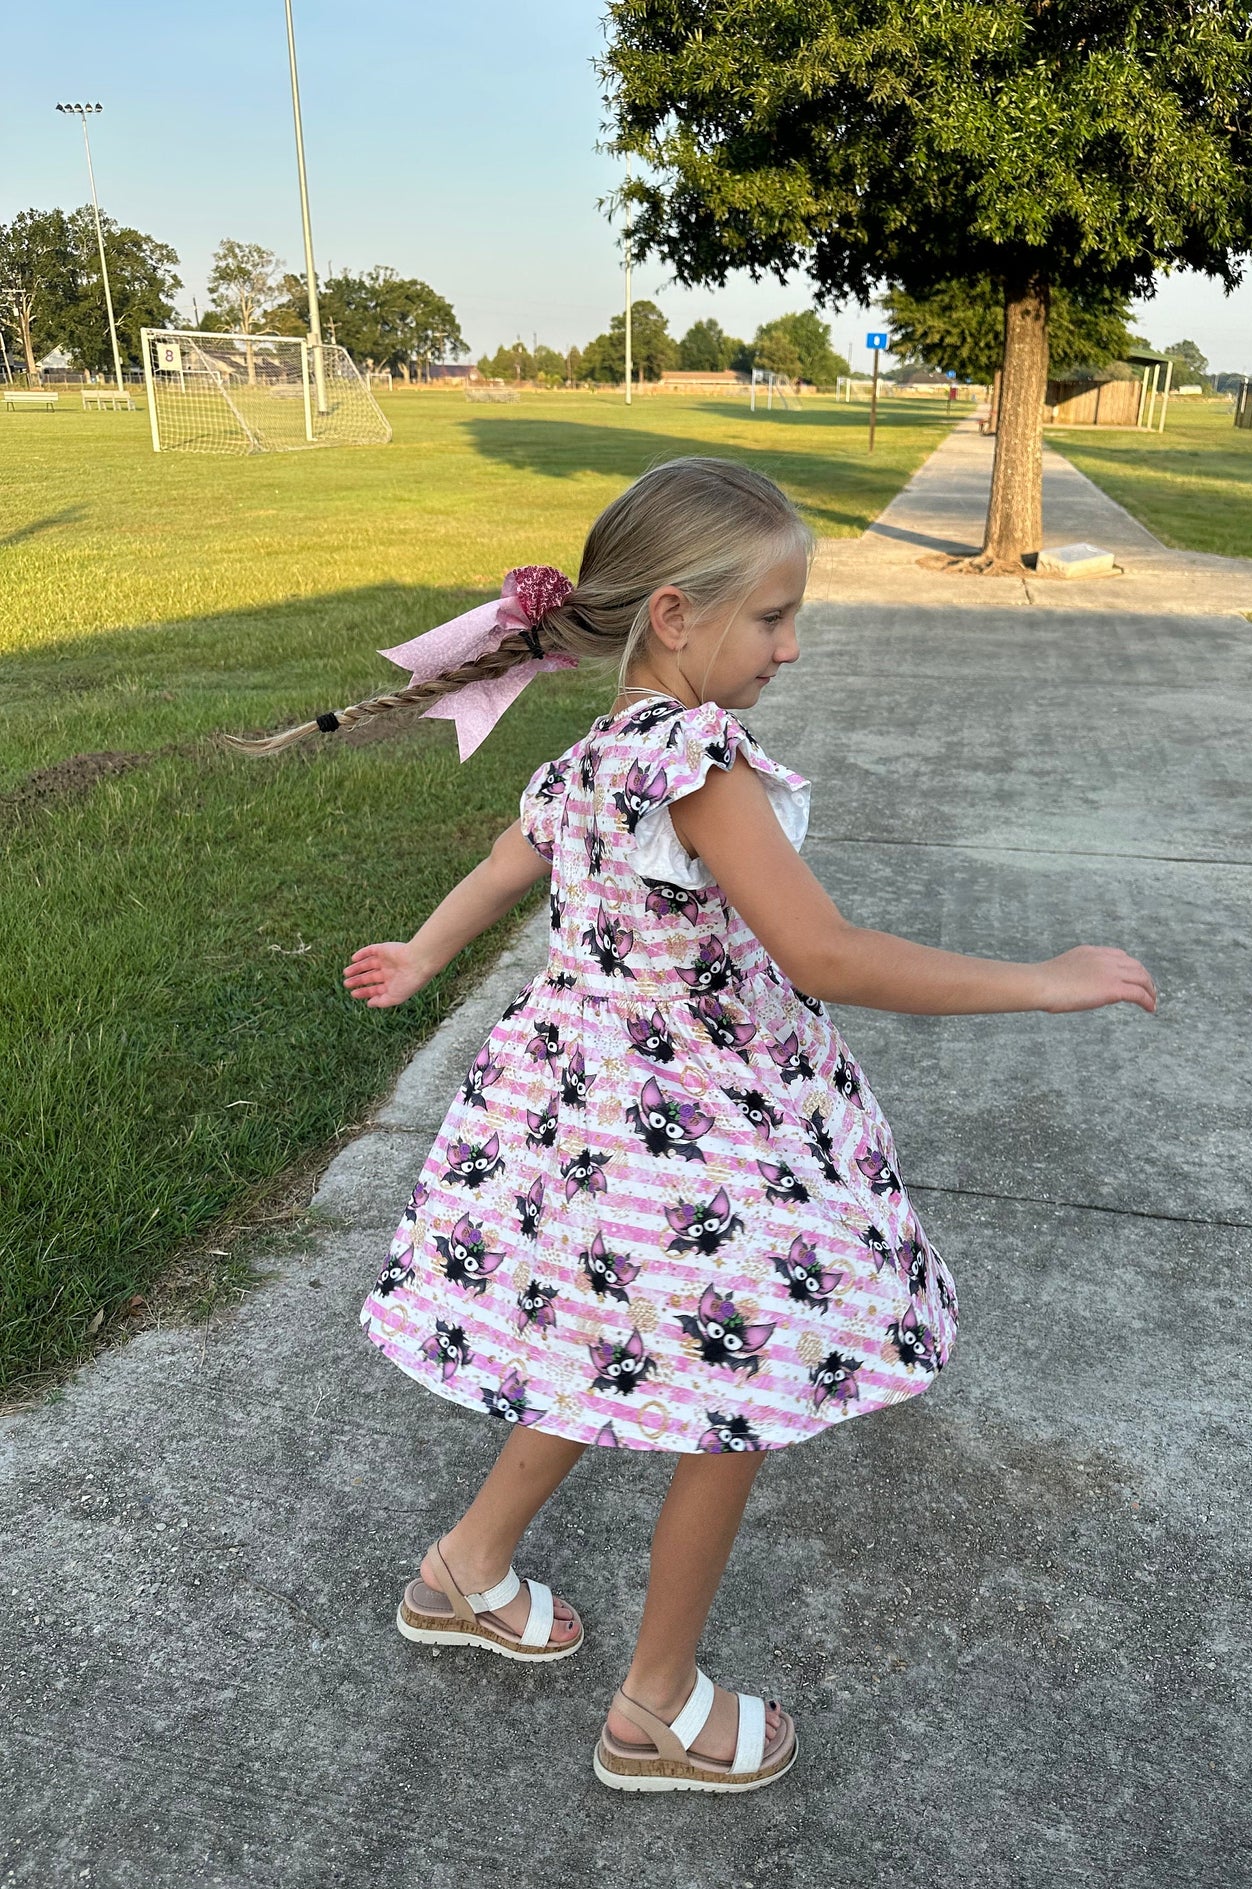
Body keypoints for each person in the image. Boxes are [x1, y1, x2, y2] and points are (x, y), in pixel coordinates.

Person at [228, 455, 1157, 1794]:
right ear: (674, 615)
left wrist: (427, 956)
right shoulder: (695, 757)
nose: (791, 643)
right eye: (773, 615)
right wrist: (1043, 981)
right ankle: (654, 1707)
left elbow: (509, 858)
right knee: (734, 1391)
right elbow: (822, 954)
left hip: (576, 1113)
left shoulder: (592, 751)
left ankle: (463, 1570)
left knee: (606, 1340)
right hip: (691, 1133)